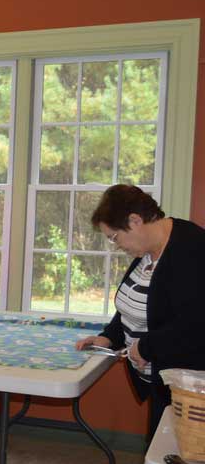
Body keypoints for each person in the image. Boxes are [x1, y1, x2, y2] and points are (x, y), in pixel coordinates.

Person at [75, 185, 205, 439]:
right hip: (161, 382)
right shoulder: (148, 251)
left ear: (135, 221)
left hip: (187, 388)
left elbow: (194, 323)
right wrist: (109, 336)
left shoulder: (192, 250)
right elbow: (135, 303)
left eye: (114, 237)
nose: (115, 245)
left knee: (171, 462)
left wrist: (146, 348)